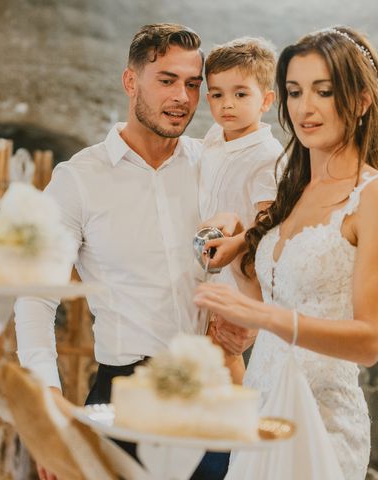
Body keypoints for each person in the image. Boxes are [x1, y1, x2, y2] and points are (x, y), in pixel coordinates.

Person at [15, 23, 230, 480]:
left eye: (194, 85)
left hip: (213, 394)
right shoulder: (78, 179)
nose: (183, 98)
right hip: (121, 396)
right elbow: (35, 295)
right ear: (130, 81)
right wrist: (47, 398)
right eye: (167, 80)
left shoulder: (213, 165)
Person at [194, 26, 378, 479]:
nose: (305, 108)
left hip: (320, 421)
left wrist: (265, 319)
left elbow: (370, 341)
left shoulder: (376, 196)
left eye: (323, 91)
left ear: (361, 101)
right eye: (294, 91)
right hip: (262, 410)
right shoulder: (293, 189)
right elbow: (268, 295)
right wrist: (236, 238)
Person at [197, 37, 285, 382]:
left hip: (238, 273)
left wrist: (235, 246)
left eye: (240, 94)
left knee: (223, 352)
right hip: (205, 267)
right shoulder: (214, 137)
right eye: (217, 95)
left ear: (265, 100)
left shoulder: (267, 156)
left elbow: (269, 221)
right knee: (199, 363)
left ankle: (234, 431)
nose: (227, 105)